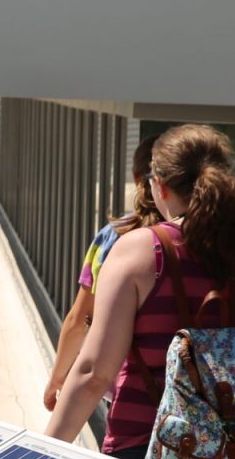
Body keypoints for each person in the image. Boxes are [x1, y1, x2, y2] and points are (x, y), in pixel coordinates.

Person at [45, 125, 235, 459]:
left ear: (159, 187)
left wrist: (41, 457)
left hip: (142, 449)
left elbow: (93, 375)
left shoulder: (137, 252)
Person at [43, 135, 163, 411]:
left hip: (130, 391)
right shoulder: (212, 240)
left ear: (136, 178)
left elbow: (79, 318)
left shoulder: (113, 237)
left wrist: (58, 378)